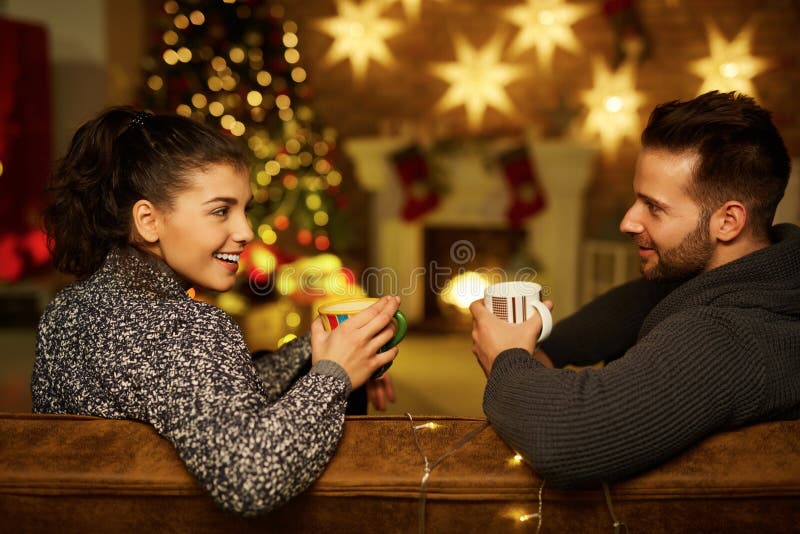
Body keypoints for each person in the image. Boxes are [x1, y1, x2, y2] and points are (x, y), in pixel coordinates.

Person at [32, 106, 400, 515]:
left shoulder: (66, 309)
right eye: (221, 210)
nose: (245, 232)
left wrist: (330, 353)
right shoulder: (184, 326)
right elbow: (250, 477)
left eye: (244, 209)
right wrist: (334, 377)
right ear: (148, 221)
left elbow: (203, 395)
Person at [470, 91, 800, 488]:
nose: (628, 221)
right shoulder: (760, 271)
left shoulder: (728, 337)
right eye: (636, 198)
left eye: (653, 207)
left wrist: (505, 358)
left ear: (728, 221)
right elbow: (629, 308)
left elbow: (569, 439)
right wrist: (546, 348)